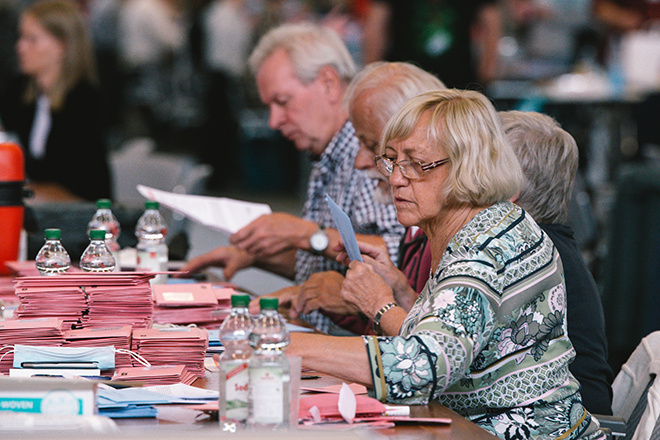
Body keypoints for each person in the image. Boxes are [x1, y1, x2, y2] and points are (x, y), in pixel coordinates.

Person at [287, 89, 605, 440]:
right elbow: (447, 341)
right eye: (391, 160)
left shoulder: (487, 247)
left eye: (416, 164)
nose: (395, 178)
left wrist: (287, 346)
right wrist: (401, 295)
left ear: (467, 167)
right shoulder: (480, 227)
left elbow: (422, 366)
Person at [180, 23, 405, 334]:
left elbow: (402, 257)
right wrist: (257, 256)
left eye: (283, 101)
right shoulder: (327, 151)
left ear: (328, 83)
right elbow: (330, 263)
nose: (274, 121)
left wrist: (305, 233)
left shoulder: (364, 153)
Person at [249, 61, 444, 334]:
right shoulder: (422, 232)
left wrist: (376, 304)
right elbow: (416, 326)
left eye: (378, 149)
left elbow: (428, 350)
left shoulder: (460, 238)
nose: (361, 161)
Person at [500, 110, 614, 415]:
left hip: (563, 424)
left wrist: (385, 306)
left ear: (509, 189)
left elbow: (448, 361)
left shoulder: (526, 256)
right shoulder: (552, 246)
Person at [0, 0, 112, 202]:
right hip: (36, 206)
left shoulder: (84, 102)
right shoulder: (18, 93)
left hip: (81, 211)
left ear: (62, 46)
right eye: (21, 37)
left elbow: (80, 186)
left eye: (32, 39)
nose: (20, 47)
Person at [361, 0, 502, 89]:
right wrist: (373, 69)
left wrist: (488, 67)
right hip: (404, 81)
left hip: (458, 80)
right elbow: (376, 25)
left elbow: (491, 22)